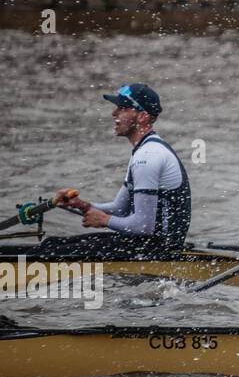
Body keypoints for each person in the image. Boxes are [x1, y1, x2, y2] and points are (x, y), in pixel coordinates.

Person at [43, 85, 191, 260]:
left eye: (122, 108)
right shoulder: (144, 150)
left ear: (142, 116)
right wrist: (81, 205)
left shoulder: (148, 156)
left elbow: (144, 226)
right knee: (51, 244)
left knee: (48, 254)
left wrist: (104, 220)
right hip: (143, 244)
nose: (114, 113)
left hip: (158, 250)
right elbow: (119, 209)